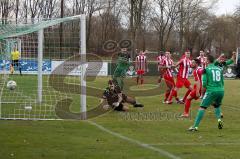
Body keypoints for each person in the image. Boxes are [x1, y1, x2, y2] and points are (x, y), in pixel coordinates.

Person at [189, 55, 224, 131]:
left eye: (205, 60)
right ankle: (219, 121)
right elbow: (222, 82)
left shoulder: (206, 70)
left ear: (208, 61)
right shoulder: (219, 69)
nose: (204, 61)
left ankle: (195, 127)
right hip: (221, 90)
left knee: (202, 107)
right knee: (216, 106)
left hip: (211, 91)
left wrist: (202, 94)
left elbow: (204, 84)